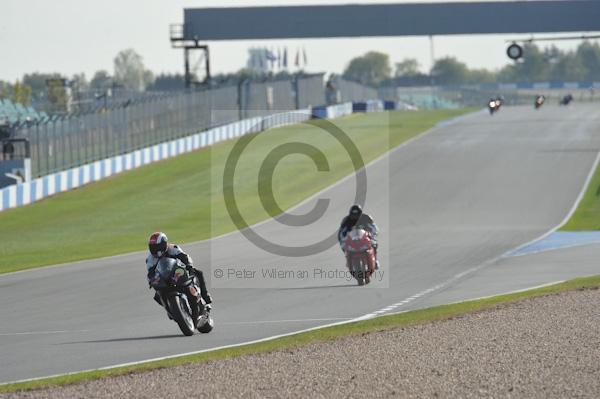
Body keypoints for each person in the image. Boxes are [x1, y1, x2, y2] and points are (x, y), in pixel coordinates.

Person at [146, 232, 213, 307]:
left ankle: (205, 295)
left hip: (178, 272)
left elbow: (184, 257)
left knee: (198, 272)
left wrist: (189, 266)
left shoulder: (173, 248)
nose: (154, 250)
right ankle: (170, 309)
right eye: (152, 247)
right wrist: (152, 280)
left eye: (156, 247)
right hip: (164, 278)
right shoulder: (150, 259)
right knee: (157, 296)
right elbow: (151, 272)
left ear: (163, 244)